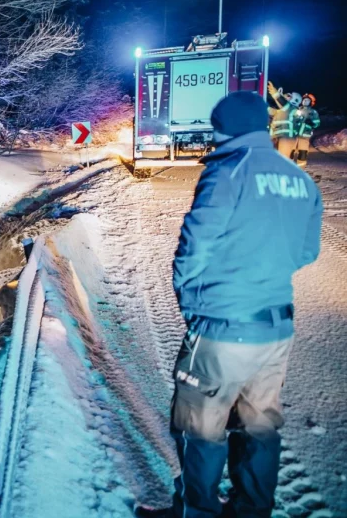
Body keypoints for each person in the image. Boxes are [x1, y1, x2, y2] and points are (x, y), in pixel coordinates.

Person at [142, 91, 323, 518]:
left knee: (199, 425)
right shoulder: (300, 178)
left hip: (223, 326)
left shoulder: (228, 171)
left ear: (223, 128)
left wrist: (192, 306)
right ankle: (251, 510)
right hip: (276, 328)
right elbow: (307, 252)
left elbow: (193, 248)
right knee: (259, 425)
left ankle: (196, 511)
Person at [290, 93, 320, 166]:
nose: (305, 102)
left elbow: (317, 123)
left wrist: (311, 122)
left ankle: (300, 169)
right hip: (294, 134)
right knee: (290, 151)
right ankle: (289, 167)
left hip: (305, 135)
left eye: (307, 100)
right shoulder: (297, 109)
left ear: (310, 102)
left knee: (302, 153)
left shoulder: (313, 112)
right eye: (304, 100)